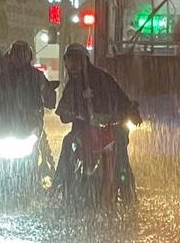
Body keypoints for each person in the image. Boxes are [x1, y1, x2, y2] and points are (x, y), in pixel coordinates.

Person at [54, 42, 137, 196]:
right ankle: (59, 184)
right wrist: (68, 114)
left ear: (85, 60)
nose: (73, 65)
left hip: (109, 130)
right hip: (83, 132)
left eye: (77, 60)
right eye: (70, 60)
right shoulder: (72, 84)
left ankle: (128, 192)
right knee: (67, 142)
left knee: (121, 152)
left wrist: (131, 112)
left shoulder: (103, 78)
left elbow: (123, 100)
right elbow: (63, 108)